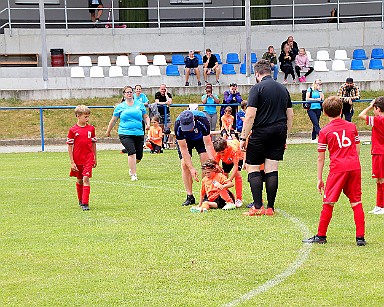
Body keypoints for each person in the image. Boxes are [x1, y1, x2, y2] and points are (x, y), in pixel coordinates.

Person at [302, 96, 366, 246]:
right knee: (356, 202)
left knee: (329, 201)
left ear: (324, 112)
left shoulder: (324, 132)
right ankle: (360, 238)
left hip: (338, 169)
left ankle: (321, 235)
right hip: (354, 167)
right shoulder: (352, 126)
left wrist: (319, 178)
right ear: (342, 110)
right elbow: (357, 148)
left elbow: (320, 158)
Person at [240, 60, 294, 216]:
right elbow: (290, 115)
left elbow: (250, 115)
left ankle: (257, 207)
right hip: (279, 131)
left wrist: (243, 138)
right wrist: (285, 135)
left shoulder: (257, 88)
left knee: (253, 166)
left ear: (257, 74)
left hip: (261, 131)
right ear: (270, 71)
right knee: (272, 167)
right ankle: (270, 207)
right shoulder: (283, 89)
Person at [106, 85, 150, 181]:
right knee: (131, 152)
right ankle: (133, 174)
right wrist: (108, 131)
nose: (129, 94)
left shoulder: (139, 104)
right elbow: (113, 120)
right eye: (127, 92)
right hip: (125, 133)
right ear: (124, 94)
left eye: (131, 92)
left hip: (138, 132)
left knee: (139, 156)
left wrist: (148, 124)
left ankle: (132, 166)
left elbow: (146, 116)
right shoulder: (120, 107)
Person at [174, 109, 215, 206]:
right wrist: (191, 168)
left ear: (194, 120)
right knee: (184, 164)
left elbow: (208, 144)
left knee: (206, 163)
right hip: (186, 141)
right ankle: (190, 196)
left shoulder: (203, 120)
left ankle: (206, 193)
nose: (189, 129)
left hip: (200, 139)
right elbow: (184, 149)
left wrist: (213, 162)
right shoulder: (178, 126)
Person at [66, 105, 97, 211]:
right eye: (85, 117)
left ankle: (85, 203)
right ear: (78, 116)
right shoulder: (73, 130)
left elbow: (93, 144)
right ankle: (80, 199)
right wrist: (72, 162)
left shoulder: (91, 129)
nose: (87, 119)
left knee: (86, 179)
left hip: (88, 158)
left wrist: (94, 158)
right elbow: (70, 146)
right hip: (77, 158)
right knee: (79, 180)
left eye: (88, 117)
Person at [358, 97, 384, 215]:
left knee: (381, 179)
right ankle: (379, 205)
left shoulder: (378, 120)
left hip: (380, 153)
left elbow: (361, 115)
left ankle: (382, 206)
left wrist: (370, 105)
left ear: (377, 109)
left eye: (374, 109)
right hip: (378, 152)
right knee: (378, 180)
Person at [213, 137, 244, 208]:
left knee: (237, 174)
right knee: (224, 175)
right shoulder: (218, 151)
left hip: (238, 157)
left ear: (227, 147)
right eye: (219, 153)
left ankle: (239, 199)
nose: (221, 154)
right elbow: (216, 164)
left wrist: (230, 179)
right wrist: (218, 167)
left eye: (222, 152)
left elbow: (235, 167)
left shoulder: (234, 150)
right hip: (227, 160)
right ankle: (226, 196)